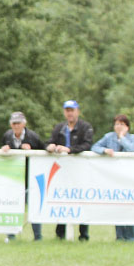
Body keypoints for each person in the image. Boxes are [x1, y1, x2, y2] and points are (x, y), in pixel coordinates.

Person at [46, 100, 94, 241]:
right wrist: (50, 146)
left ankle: (83, 235)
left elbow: (87, 144)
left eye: (72, 110)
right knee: (62, 199)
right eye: (67, 110)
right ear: (64, 112)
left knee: (81, 200)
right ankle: (60, 234)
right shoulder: (59, 127)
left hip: (81, 170)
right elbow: (49, 142)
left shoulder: (85, 127)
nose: (70, 113)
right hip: (62, 172)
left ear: (77, 111)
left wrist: (70, 149)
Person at [92, 114, 134, 242]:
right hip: (114, 176)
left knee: (129, 206)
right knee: (118, 205)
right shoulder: (108, 137)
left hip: (129, 176)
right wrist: (104, 150)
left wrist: (122, 137)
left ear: (127, 127)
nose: (118, 127)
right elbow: (94, 147)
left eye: (122, 124)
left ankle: (130, 237)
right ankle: (119, 236)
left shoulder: (133, 138)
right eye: (117, 124)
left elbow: (132, 149)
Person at [0, 111, 44, 241]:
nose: (16, 125)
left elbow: (44, 150)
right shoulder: (7, 136)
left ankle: (38, 237)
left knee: (34, 205)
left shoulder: (33, 136)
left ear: (24, 123)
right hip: (14, 177)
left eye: (18, 123)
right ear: (10, 124)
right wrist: (3, 149)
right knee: (11, 204)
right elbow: (1, 149)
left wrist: (32, 151)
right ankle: (10, 235)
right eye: (14, 123)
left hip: (31, 177)